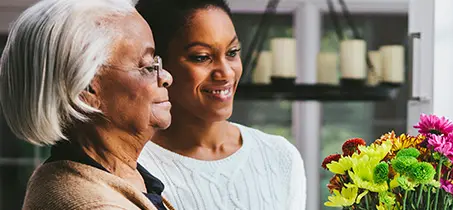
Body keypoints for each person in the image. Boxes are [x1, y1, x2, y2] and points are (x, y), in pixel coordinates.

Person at [0, 0, 176, 209]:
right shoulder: (92, 204)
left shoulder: (122, 177)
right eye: (147, 66)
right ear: (86, 88)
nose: (166, 77)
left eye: (157, 62)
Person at [134, 0, 307, 209]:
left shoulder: (280, 157)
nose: (225, 72)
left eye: (232, 52)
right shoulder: (135, 167)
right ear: (158, 65)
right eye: (202, 57)